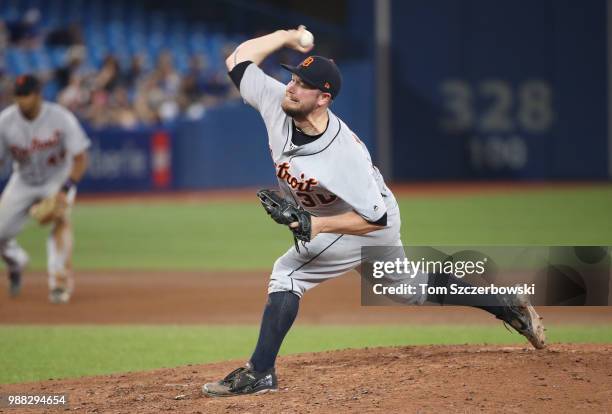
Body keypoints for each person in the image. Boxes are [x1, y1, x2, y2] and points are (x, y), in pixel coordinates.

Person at [202, 27, 546, 398]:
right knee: (407, 289)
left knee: (288, 274)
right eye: (293, 78)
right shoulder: (275, 100)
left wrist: (317, 224)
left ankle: (260, 372)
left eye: (303, 84)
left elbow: (375, 218)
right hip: (357, 215)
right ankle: (505, 304)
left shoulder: (342, 155)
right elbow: (237, 60)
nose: (291, 86)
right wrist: (287, 36)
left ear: (323, 98)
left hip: (363, 221)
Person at [0, 74, 90, 304]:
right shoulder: (5, 122)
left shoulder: (60, 118)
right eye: (18, 96)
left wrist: (65, 189)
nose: (21, 101)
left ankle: (59, 284)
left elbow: (80, 158)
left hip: (56, 179)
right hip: (23, 181)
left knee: (60, 219)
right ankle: (16, 261)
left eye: (26, 95)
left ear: (38, 95)